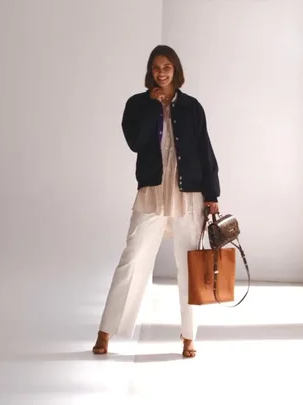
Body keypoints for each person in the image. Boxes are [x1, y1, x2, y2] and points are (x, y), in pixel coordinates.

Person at [92, 45, 220, 358]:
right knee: (131, 260)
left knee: (190, 266)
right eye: (155, 68)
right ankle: (105, 331)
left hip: (189, 194)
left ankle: (189, 336)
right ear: (150, 71)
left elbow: (205, 149)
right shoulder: (137, 104)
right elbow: (135, 143)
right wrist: (153, 107)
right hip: (152, 191)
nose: (161, 73)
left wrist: (212, 194)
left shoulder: (192, 107)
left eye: (167, 67)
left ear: (176, 70)